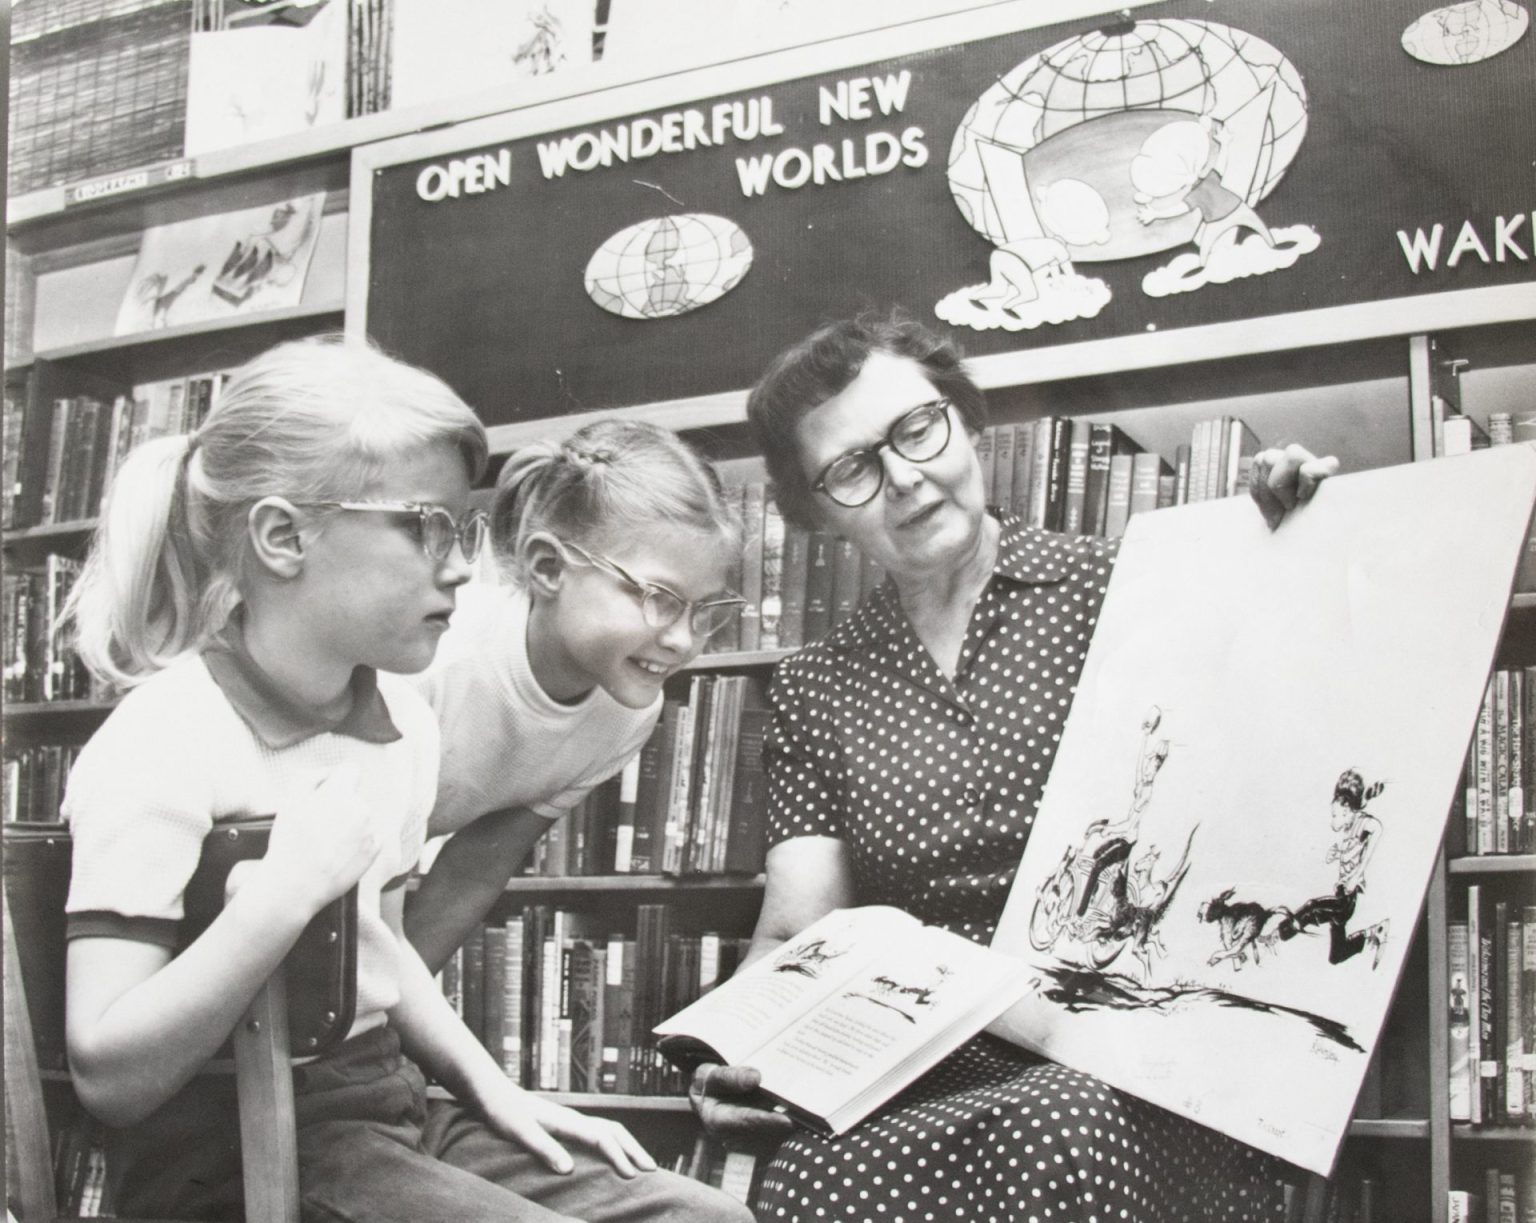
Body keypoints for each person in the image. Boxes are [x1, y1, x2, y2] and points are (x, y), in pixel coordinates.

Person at [60, 335, 754, 1223]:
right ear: (283, 537)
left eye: (462, 529)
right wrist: (280, 898)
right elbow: (107, 1076)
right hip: (233, 1148)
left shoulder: (401, 727)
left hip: (389, 1108)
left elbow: (380, 959)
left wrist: (492, 1087)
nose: (464, 564)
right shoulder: (162, 736)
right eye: (426, 526)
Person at [688, 310, 1339, 1221]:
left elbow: (1283, 783)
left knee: (1058, 1127)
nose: (904, 477)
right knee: (803, 1175)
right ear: (812, 513)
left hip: (1127, 1054)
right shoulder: (817, 684)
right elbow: (796, 928)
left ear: (964, 419)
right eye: (850, 469)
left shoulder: (1144, 584)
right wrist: (733, 1049)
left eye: (917, 429)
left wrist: (1292, 547)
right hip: (907, 1061)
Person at [402, 419, 746, 975]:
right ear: (548, 568)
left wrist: (389, 1021)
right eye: (659, 598)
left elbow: (472, 873)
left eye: (704, 611)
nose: (683, 640)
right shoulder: (434, 658)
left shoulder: (628, 714)